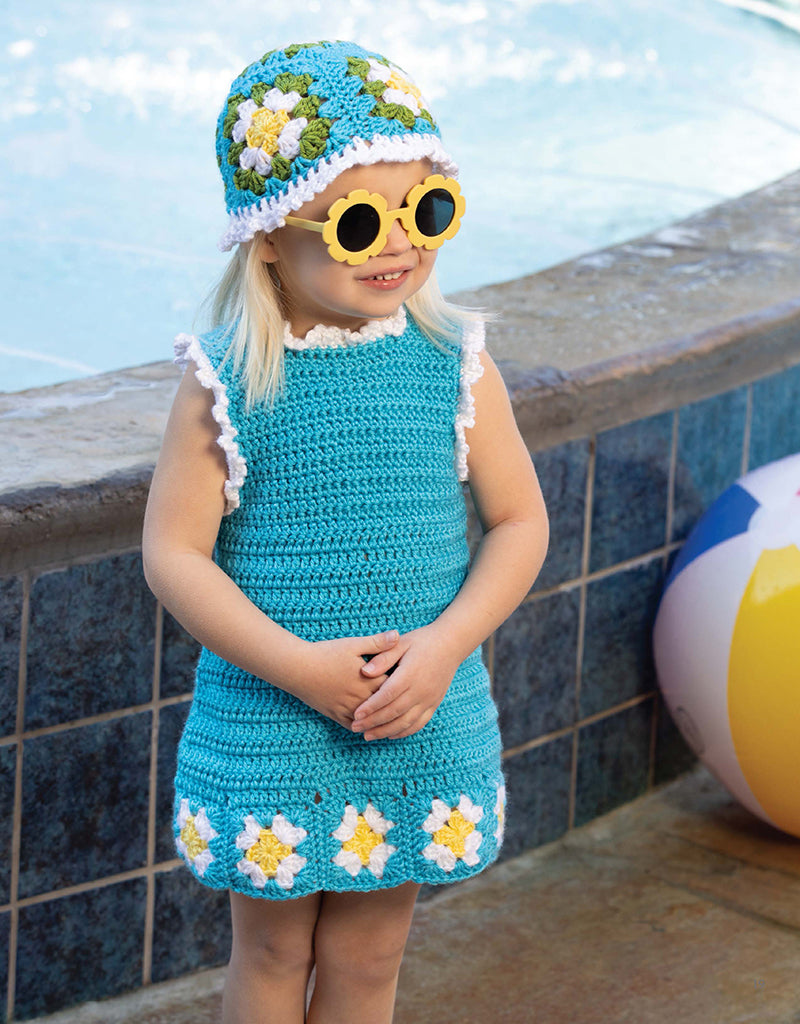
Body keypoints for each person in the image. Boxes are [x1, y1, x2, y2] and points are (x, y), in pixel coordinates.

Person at [142, 39, 548, 1024]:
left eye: (426, 211)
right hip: (277, 708)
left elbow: (517, 520)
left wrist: (445, 646)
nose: (398, 248)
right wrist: (299, 667)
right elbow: (173, 553)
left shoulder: (453, 360)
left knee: (370, 956)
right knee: (274, 949)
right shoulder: (232, 379)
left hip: (415, 702)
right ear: (270, 237)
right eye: (359, 223)